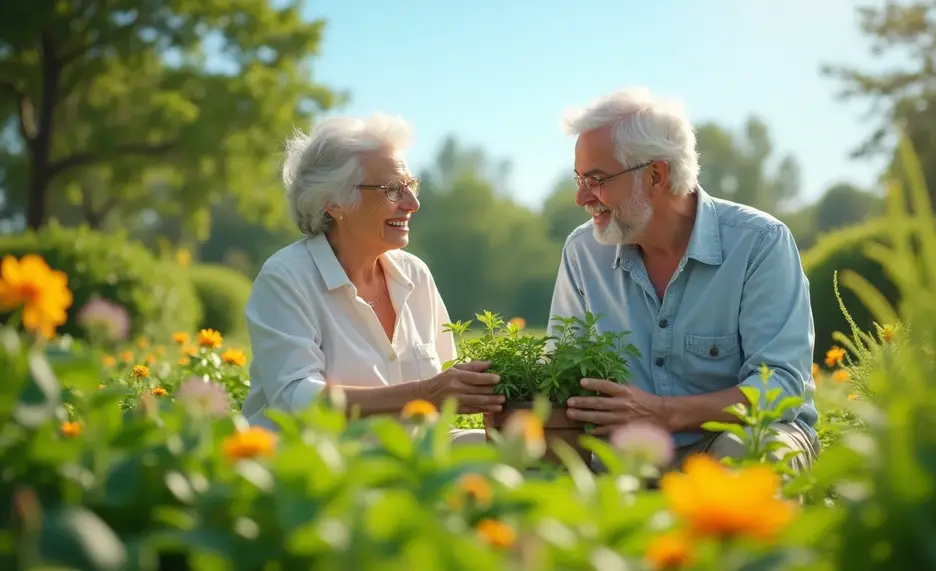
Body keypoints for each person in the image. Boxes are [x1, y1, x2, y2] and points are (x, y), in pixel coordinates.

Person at [549, 87, 820, 472]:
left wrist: (663, 412)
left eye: (595, 179)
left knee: (752, 453)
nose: (581, 198)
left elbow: (780, 388)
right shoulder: (583, 252)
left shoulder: (758, 242)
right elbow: (560, 372)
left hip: (738, 436)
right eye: (579, 179)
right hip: (627, 453)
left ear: (656, 175)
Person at [241, 114, 504, 438]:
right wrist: (425, 393)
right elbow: (298, 400)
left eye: (410, 185)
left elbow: (442, 397)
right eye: (393, 189)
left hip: (407, 463)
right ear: (333, 202)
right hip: (319, 468)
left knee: (513, 456)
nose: (413, 203)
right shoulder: (285, 279)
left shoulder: (415, 275)